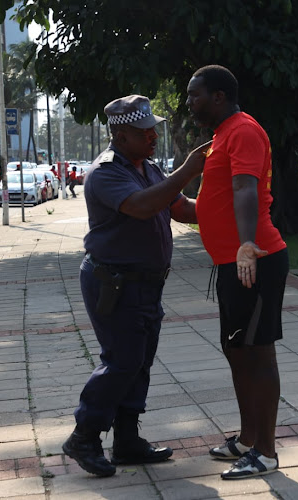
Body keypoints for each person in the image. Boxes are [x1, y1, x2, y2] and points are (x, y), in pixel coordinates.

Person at [62, 94, 211, 477]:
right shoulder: (106, 172)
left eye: (154, 130)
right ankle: (84, 436)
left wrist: (230, 207)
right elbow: (143, 206)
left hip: (145, 284)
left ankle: (127, 440)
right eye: (146, 131)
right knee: (122, 361)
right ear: (122, 134)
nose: (154, 137)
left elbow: (182, 209)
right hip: (115, 284)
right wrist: (187, 170)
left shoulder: (147, 168)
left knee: (139, 364)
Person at [187, 65, 288, 480]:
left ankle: (265, 451)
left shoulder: (243, 130)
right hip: (233, 263)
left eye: (195, 94)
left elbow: (245, 189)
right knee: (237, 352)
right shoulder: (220, 137)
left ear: (219, 96)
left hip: (255, 260)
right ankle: (247, 440)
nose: (188, 102)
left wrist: (246, 245)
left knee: (257, 353)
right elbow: (213, 202)